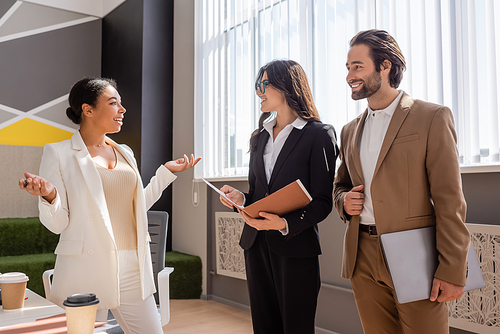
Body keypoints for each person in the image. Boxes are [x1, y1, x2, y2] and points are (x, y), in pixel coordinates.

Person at [19, 77, 200, 334]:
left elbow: (136, 208)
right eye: (113, 103)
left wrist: (165, 174)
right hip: (86, 267)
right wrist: (50, 196)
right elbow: (57, 224)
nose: (122, 110)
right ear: (88, 109)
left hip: (132, 266)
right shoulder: (58, 152)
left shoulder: (125, 151)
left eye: (121, 103)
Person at [333, 29, 470, 333]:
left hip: (415, 254)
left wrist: (452, 268)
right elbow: (339, 185)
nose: (349, 76)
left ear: (385, 66)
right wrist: (344, 201)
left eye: (358, 66)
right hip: (362, 255)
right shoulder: (349, 131)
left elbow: (450, 200)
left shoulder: (431, 117)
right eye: (347, 68)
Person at [219, 60, 339, 334]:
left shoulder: (319, 135)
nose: (258, 91)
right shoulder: (258, 137)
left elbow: (322, 201)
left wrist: (283, 224)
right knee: (264, 326)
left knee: (296, 327)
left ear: (286, 86)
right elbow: (258, 194)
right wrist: (241, 198)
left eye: (264, 85)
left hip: (295, 245)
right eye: (257, 85)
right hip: (256, 243)